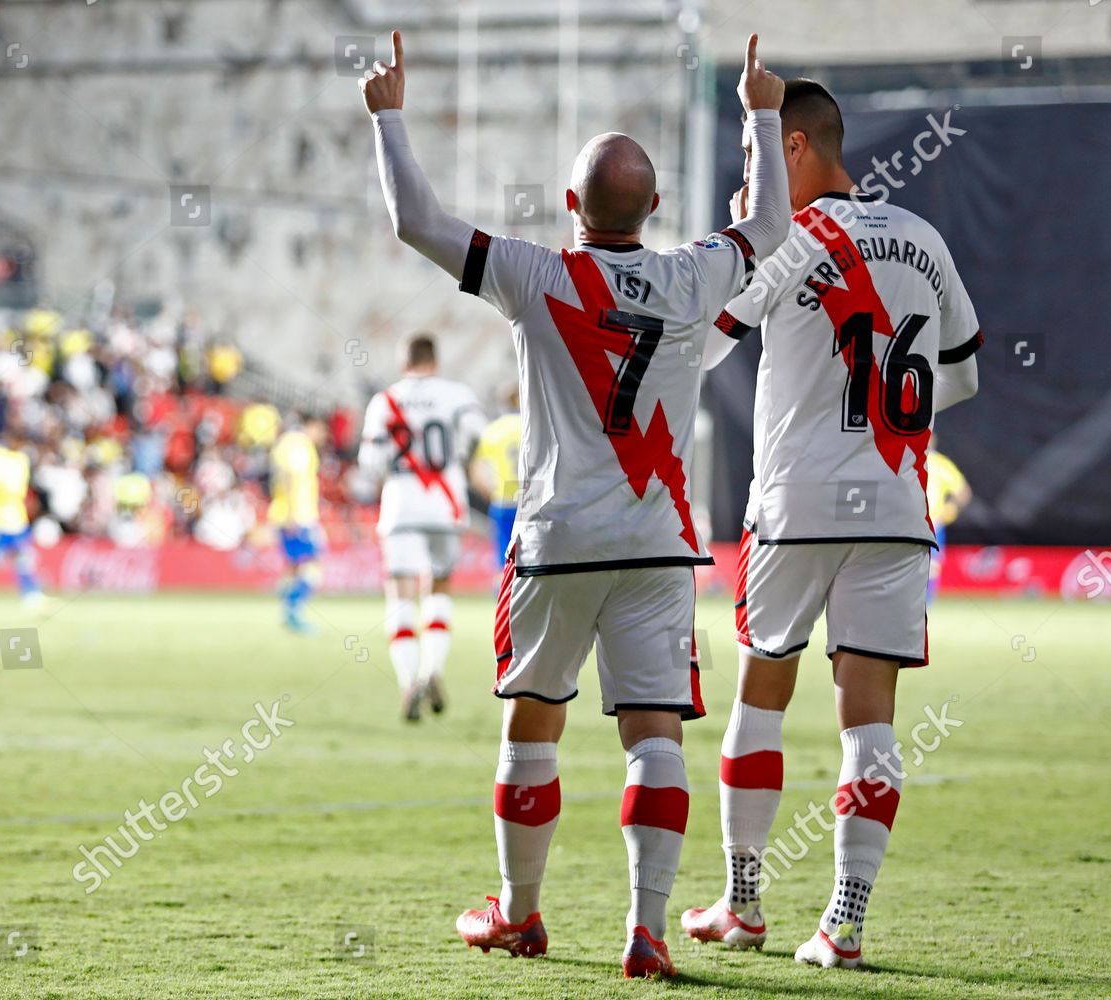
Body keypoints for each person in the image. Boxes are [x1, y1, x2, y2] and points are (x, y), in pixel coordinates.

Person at [360, 30, 788, 977]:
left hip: (556, 543)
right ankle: (647, 931)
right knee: (655, 735)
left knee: (533, 724)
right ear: (659, 206)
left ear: (569, 205)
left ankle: (518, 913)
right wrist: (760, 109)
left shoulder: (535, 273)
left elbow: (416, 221)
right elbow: (770, 229)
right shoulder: (690, 274)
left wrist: (389, 115)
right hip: (659, 543)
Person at [680, 79, 983, 970]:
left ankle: (741, 904)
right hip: (895, 505)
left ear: (796, 149)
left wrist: (744, 240)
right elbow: (960, 375)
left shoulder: (785, 240)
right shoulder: (925, 238)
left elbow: (704, 340)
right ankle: (844, 925)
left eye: (757, 157)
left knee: (759, 698)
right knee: (871, 721)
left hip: (794, 505)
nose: (750, 176)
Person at [358, 334, 487, 721]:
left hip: (400, 507)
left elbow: (369, 462)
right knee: (439, 588)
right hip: (445, 505)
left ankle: (407, 681)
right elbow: (481, 437)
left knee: (400, 594)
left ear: (404, 361)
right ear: (435, 359)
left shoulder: (385, 400)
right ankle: (433, 670)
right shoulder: (457, 395)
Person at [0, 421, 45, 612]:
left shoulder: (22, 458)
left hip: (14, 518)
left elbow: (19, 488)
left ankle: (31, 594)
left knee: (23, 557)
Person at [269, 415, 327, 633]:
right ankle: (293, 611)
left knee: (294, 567)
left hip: (288, 513)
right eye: (321, 430)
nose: (323, 436)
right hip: (298, 515)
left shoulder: (286, 442)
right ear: (311, 425)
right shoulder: (299, 445)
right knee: (313, 564)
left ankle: (288, 609)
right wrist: (294, 513)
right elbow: (290, 477)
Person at [470, 386, 522, 578]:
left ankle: (505, 602)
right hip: (531, 495)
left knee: (504, 557)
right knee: (532, 553)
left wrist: (488, 492)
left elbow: (476, 470)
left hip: (502, 496)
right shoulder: (532, 424)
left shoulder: (492, 430)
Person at [925, 435, 971, 601]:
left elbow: (963, 493)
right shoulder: (906, 461)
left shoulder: (941, 464)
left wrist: (951, 508)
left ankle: (926, 605)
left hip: (933, 523)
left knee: (931, 566)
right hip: (907, 522)